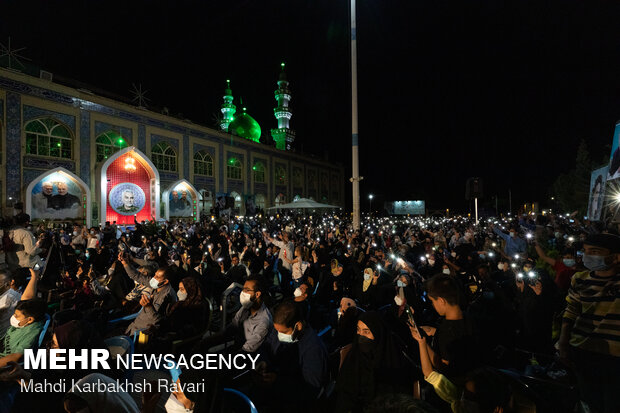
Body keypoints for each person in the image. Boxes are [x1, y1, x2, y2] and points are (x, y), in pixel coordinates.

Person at [559, 233, 620, 413]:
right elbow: (570, 312)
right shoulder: (579, 278)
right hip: (583, 352)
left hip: (615, 358)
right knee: (590, 403)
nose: (588, 256)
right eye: (585, 251)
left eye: (595, 251)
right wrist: (563, 345)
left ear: (615, 256)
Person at [335, 311, 412, 413]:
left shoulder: (392, 359)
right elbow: (344, 395)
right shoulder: (354, 357)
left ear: (378, 333)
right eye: (358, 330)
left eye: (366, 332)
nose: (361, 336)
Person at [263, 300, 328, 405]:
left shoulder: (313, 349)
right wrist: (264, 362)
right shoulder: (280, 328)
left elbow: (310, 390)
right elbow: (267, 346)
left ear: (298, 326)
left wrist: (277, 381)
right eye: (277, 331)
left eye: (283, 332)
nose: (279, 335)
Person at [120, 252, 177, 336]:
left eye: (157, 277)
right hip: (134, 326)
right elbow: (137, 276)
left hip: (143, 333)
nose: (153, 278)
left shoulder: (166, 296)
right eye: (154, 275)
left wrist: (149, 307)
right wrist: (125, 263)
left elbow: (158, 322)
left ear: (165, 281)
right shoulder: (157, 283)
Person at [229, 276, 272, 353]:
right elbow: (231, 328)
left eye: (247, 290)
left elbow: (246, 351)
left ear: (257, 294)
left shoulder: (263, 322)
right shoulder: (246, 307)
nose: (243, 293)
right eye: (243, 289)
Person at [0, 299, 47, 367]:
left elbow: (15, 356)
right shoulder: (22, 324)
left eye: (16, 316)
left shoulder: (31, 333)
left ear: (30, 319)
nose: (13, 317)